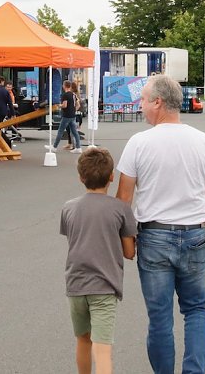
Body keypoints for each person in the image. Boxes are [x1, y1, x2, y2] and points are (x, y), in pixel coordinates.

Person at [116, 74, 205, 374]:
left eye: (142, 99)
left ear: (157, 102)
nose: (140, 106)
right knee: (195, 310)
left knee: (160, 317)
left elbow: (123, 201)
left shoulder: (139, 143)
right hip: (194, 234)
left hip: (153, 236)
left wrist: (123, 242)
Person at [60, 148, 137, 374]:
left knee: (83, 341)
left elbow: (73, 238)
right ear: (112, 176)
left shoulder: (69, 207)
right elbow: (129, 252)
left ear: (80, 177)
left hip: (75, 284)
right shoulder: (120, 209)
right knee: (102, 349)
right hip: (104, 286)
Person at [45, 80, 83, 154]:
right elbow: (78, 105)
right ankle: (78, 147)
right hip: (72, 115)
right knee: (75, 132)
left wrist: (59, 105)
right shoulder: (73, 94)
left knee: (60, 131)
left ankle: (54, 147)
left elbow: (65, 105)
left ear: (64, 86)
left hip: (66, 115)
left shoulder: (65, 95)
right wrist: (73, 110)